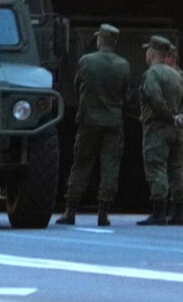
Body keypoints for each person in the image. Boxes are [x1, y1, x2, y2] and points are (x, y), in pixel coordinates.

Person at [56, 24, 130, 227]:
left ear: (100, 40)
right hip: (113, 122)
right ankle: (103, 213)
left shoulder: (86, 61)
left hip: (88, 121)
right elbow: (124, 92)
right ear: (114, 42)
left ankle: (70, 210)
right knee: (110, 166)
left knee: (81, 164)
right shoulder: (123, 65)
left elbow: (77, 86)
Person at [137, 35, 183, 226]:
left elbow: (155, 98)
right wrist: (180, 118)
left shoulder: (152, 74)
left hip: (158, 128)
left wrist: (169, 117)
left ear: (152, 53)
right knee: (177, 168)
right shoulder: (178, 75)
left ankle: (159, 212)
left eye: (148, 51)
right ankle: (179, 212)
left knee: (156, 166)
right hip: (177, 131)